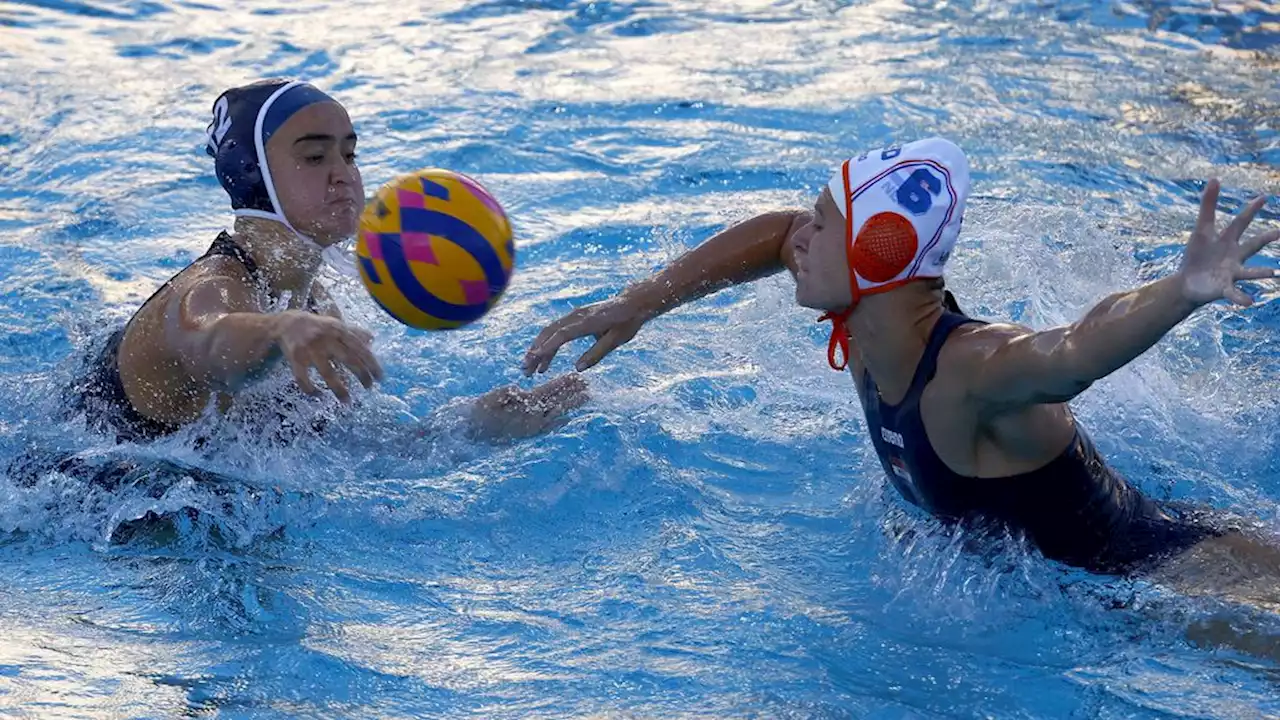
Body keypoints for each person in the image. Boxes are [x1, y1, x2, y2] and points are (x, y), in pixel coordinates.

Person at [522, 136, 1280, 580]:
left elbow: (1073, 349)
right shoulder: (864, 315)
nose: (799, 241)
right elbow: (773, 232)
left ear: (877, 256)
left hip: (1165, 577)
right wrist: (638, 302)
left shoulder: (967, 371)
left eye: (823, 225)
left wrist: (1183, 290)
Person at [66, 78, 586, 445]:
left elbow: (340, 453)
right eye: (315, 157)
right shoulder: (214, 288)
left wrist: (476, 428)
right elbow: (208, 340)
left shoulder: (314, 306)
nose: (344, 176)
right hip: (98, 492)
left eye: (350, 154)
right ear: (254, 173)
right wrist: (277, 331)